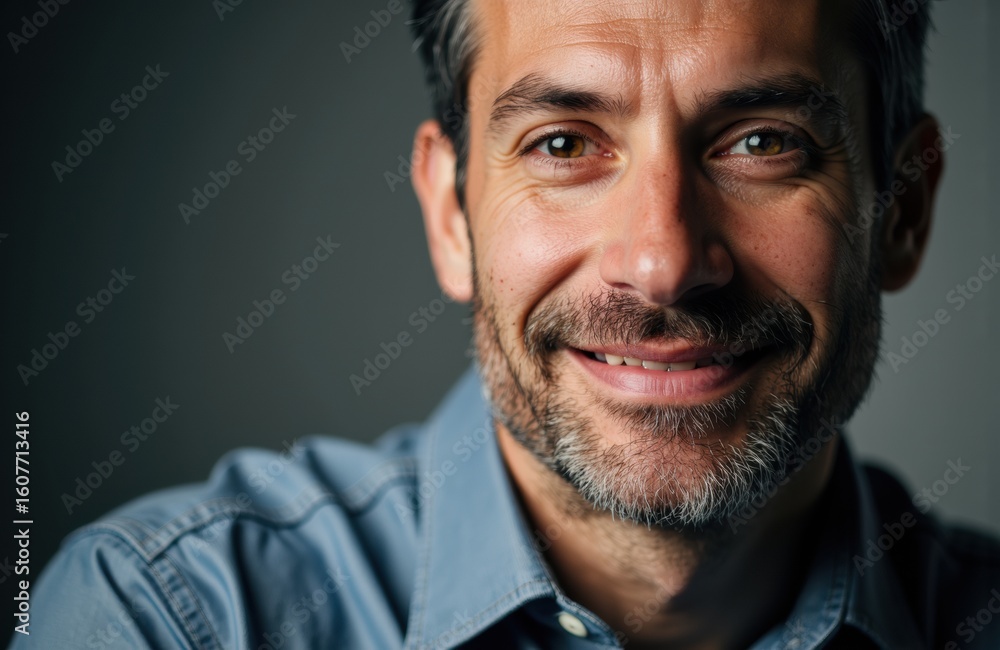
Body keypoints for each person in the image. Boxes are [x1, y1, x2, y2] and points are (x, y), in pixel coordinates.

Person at [16, 0, 1000, 648]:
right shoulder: (173, 618)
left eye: (761, 143)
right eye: (564, 142)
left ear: (901, 207)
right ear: (450, 215)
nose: (659, 261)